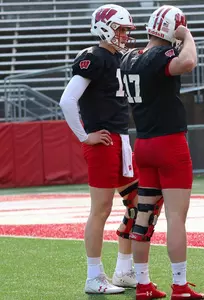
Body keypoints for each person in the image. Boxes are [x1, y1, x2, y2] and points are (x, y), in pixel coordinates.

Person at [120, 5, 204, 300]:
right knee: (176, 217)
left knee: (144, 214)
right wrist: (187, 35)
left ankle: (143, 284)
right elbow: (188, 61)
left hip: (142, 142)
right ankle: (179, 285)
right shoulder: (161, 55)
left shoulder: (130, 57)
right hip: (168, 143)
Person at [59, 4, 139, 294]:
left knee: (139, 203)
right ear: (105, 27)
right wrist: (85, 136)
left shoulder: (118, 58)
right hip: (104, 142)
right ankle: (94, 277)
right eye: (120, 29)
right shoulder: (94, 57)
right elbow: (67, 101)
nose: (125, 35)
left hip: (121, 140)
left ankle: (124, 269)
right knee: (101, 209)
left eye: (126, 30)